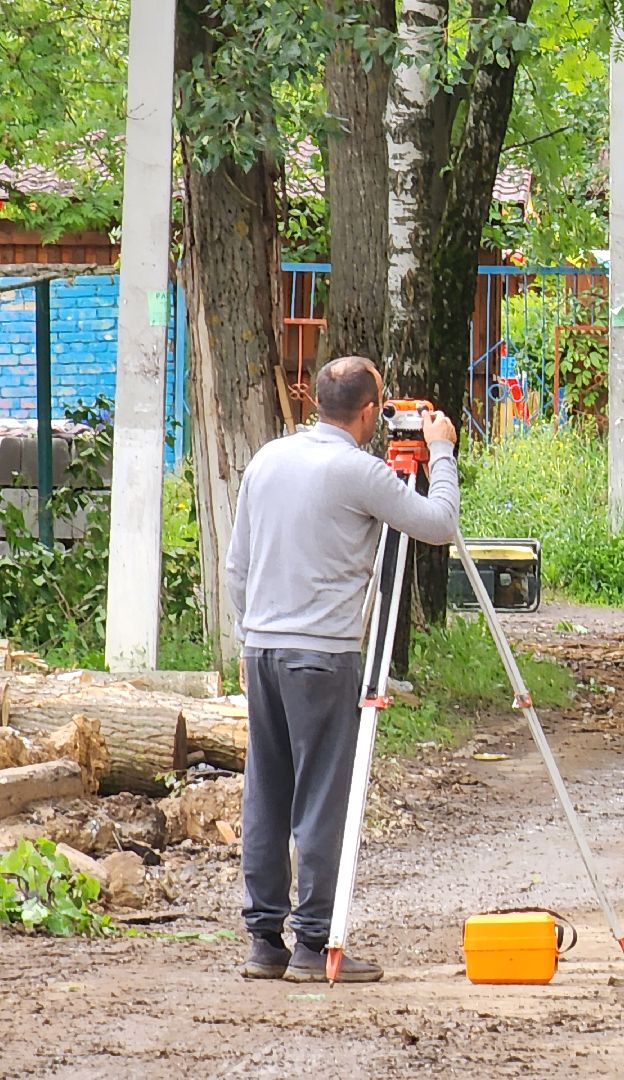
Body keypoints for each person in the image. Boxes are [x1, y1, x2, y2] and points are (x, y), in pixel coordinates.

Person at [226, 355, 460, 983]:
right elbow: (438, 525)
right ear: (366, 413)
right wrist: (440, 452)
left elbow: (237, 566)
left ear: (315, 402)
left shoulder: (267, 459)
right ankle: (313, 946)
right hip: (323, 655)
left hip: (264, 648)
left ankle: (263, 942)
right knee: (323, 797)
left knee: (267, 792)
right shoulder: (358, 472)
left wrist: (249, 637)